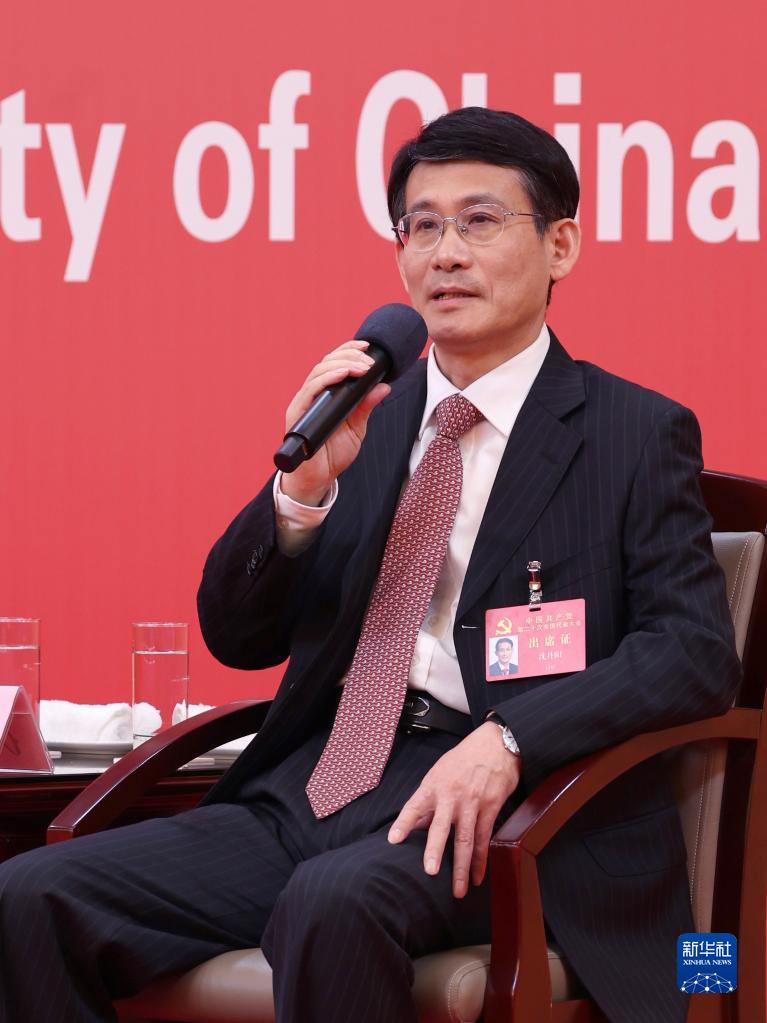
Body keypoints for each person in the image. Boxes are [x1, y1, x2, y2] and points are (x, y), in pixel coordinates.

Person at [0, 108, 739, 1023]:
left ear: (560, 246)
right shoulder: (366, 421)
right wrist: (300, 492)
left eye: (479, 221)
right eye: (421, 226)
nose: (446, 253)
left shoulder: (632, 432)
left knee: (334, 901)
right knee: (28, 894)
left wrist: (509, 740)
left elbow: (690, 650)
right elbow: (235, 636)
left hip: (513, 810)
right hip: (313, 788)